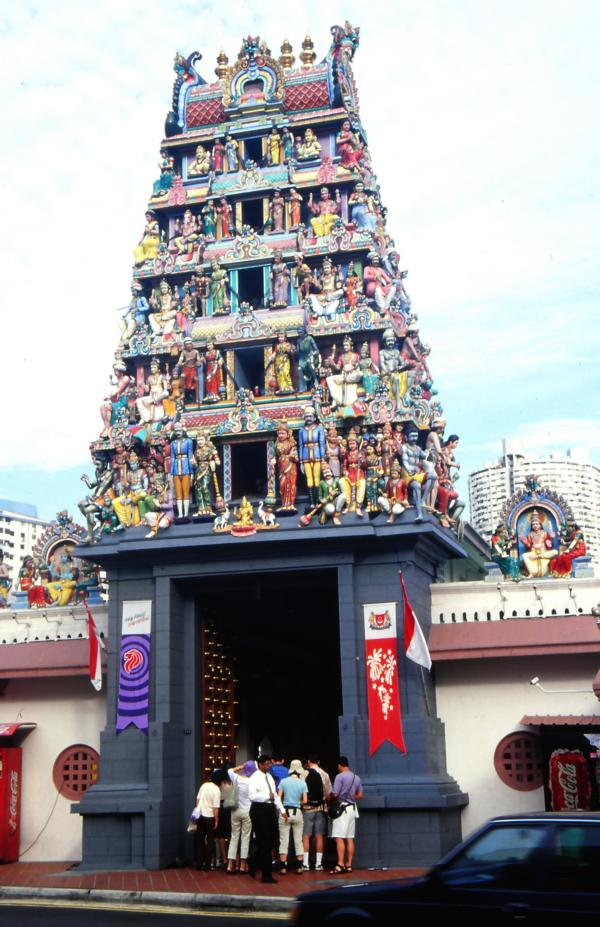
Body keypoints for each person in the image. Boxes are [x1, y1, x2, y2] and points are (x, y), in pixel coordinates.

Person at [248, 755, 285, 883]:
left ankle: (253, 860)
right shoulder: (254, 778)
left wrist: (282, 810)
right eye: (268, 763)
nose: (270, 765)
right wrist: (266, 797)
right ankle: (266, 874)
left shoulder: (269, 777)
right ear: (261, 764)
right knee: (264, 841)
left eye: (270, 763)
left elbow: (274, 795)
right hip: (259, 810)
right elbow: (252, 796)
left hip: (270, 810)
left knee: (273, 840)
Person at [330, 756, 363, 874]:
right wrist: (350, 797)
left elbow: (335, 794)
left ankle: (340, 864)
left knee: (338, 837)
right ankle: (349, 865)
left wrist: (331, 796)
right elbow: (360, 795)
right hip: (352, 809)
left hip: (341, 809)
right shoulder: (356, 777)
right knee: (349, 838)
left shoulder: (339, 777)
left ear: (340, 765)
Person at [302, 754, 332, 872]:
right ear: (318, 762)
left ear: (309, 762)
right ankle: (319, 864)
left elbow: (301, 791)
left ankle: (306, 863)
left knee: (306, 836)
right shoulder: (325, 774)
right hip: (320, 808)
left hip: (307, 808)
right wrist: (328, 805)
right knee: (319, 836)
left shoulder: (304, 774)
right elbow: (328, 793)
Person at [278, 760, 307, 874]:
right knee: (298, 840)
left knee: (283, 840)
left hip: (285, 812)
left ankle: (283, 866)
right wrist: (298, 802)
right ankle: (299, 866)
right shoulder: (302, 783)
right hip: (298, 812)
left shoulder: (283, 781)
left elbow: (278, 797)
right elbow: (305, 801)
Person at [226, 760, 255, 874]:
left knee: (234, 837)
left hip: (235, 810)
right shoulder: (253, 781)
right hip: (248, 811)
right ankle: (243, 865)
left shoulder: (236, 778)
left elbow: (229, 770)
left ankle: (230, 864)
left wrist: (241, 766)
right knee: (245, 837)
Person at [194, 770, 222, 871]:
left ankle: (199, 863)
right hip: (210, 817)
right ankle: (208, 865)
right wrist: (217, 820)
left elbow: (197, 800)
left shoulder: (204, 785)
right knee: (210, 841)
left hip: (200, 815)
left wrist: (198, 810)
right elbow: (215, 808)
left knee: (200, 841)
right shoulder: (217, 790)